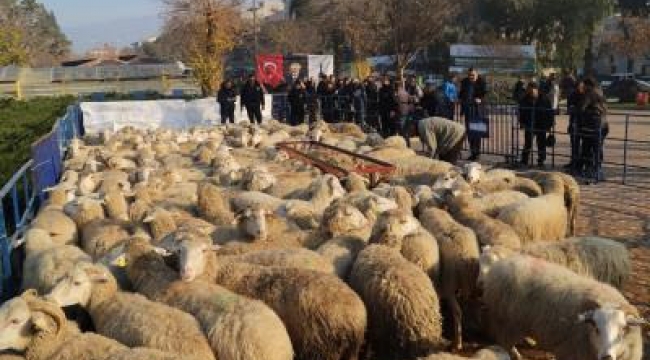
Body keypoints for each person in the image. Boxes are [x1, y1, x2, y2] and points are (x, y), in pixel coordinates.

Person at [578, 78, 608, 182]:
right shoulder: (600, 92)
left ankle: (590, 170)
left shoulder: (590, 93)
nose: (583, 87)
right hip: (603, 124)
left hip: (592, 125)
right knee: (598, 148)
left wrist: (575, 109)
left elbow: (582, 107)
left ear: (588, 85)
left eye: (584, 85)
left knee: (587, 147)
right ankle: (598, 169)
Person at [518, 82, 554, 167]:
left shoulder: (545, 99)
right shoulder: (525, 99)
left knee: (541, 143)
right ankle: (524, 160)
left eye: (531, 90)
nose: (529, 92)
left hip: (541, 124)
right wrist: (522, 123)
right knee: (527, 143)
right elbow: (521, 112)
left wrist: (550, 124)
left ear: (536, 89)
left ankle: (541, 160)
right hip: (529, 124)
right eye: (528, 90)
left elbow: (550, 113)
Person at [459, 68, 487, 161]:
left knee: (477, 132)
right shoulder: (465, 82)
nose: (471, 77)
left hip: (477, 110)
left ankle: (477, 153)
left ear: (477, 74)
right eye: (469, 75)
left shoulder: (482, 82)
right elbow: (461, 94)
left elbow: (485, 95)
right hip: (468, 110)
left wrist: (480, 99)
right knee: (470, 133)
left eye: (473, 75)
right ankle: (473, 153)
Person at [565, 80, 585, 171]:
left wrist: (575, 109)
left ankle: (580, 163)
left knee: (584, 145)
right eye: (578, 87)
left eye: (581, 87)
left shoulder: (585, 95)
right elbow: (569, 108)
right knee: (574, 144)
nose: (579, 89)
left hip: (584, 123)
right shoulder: (572, 95)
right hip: (574, 122)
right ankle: (574, 162)